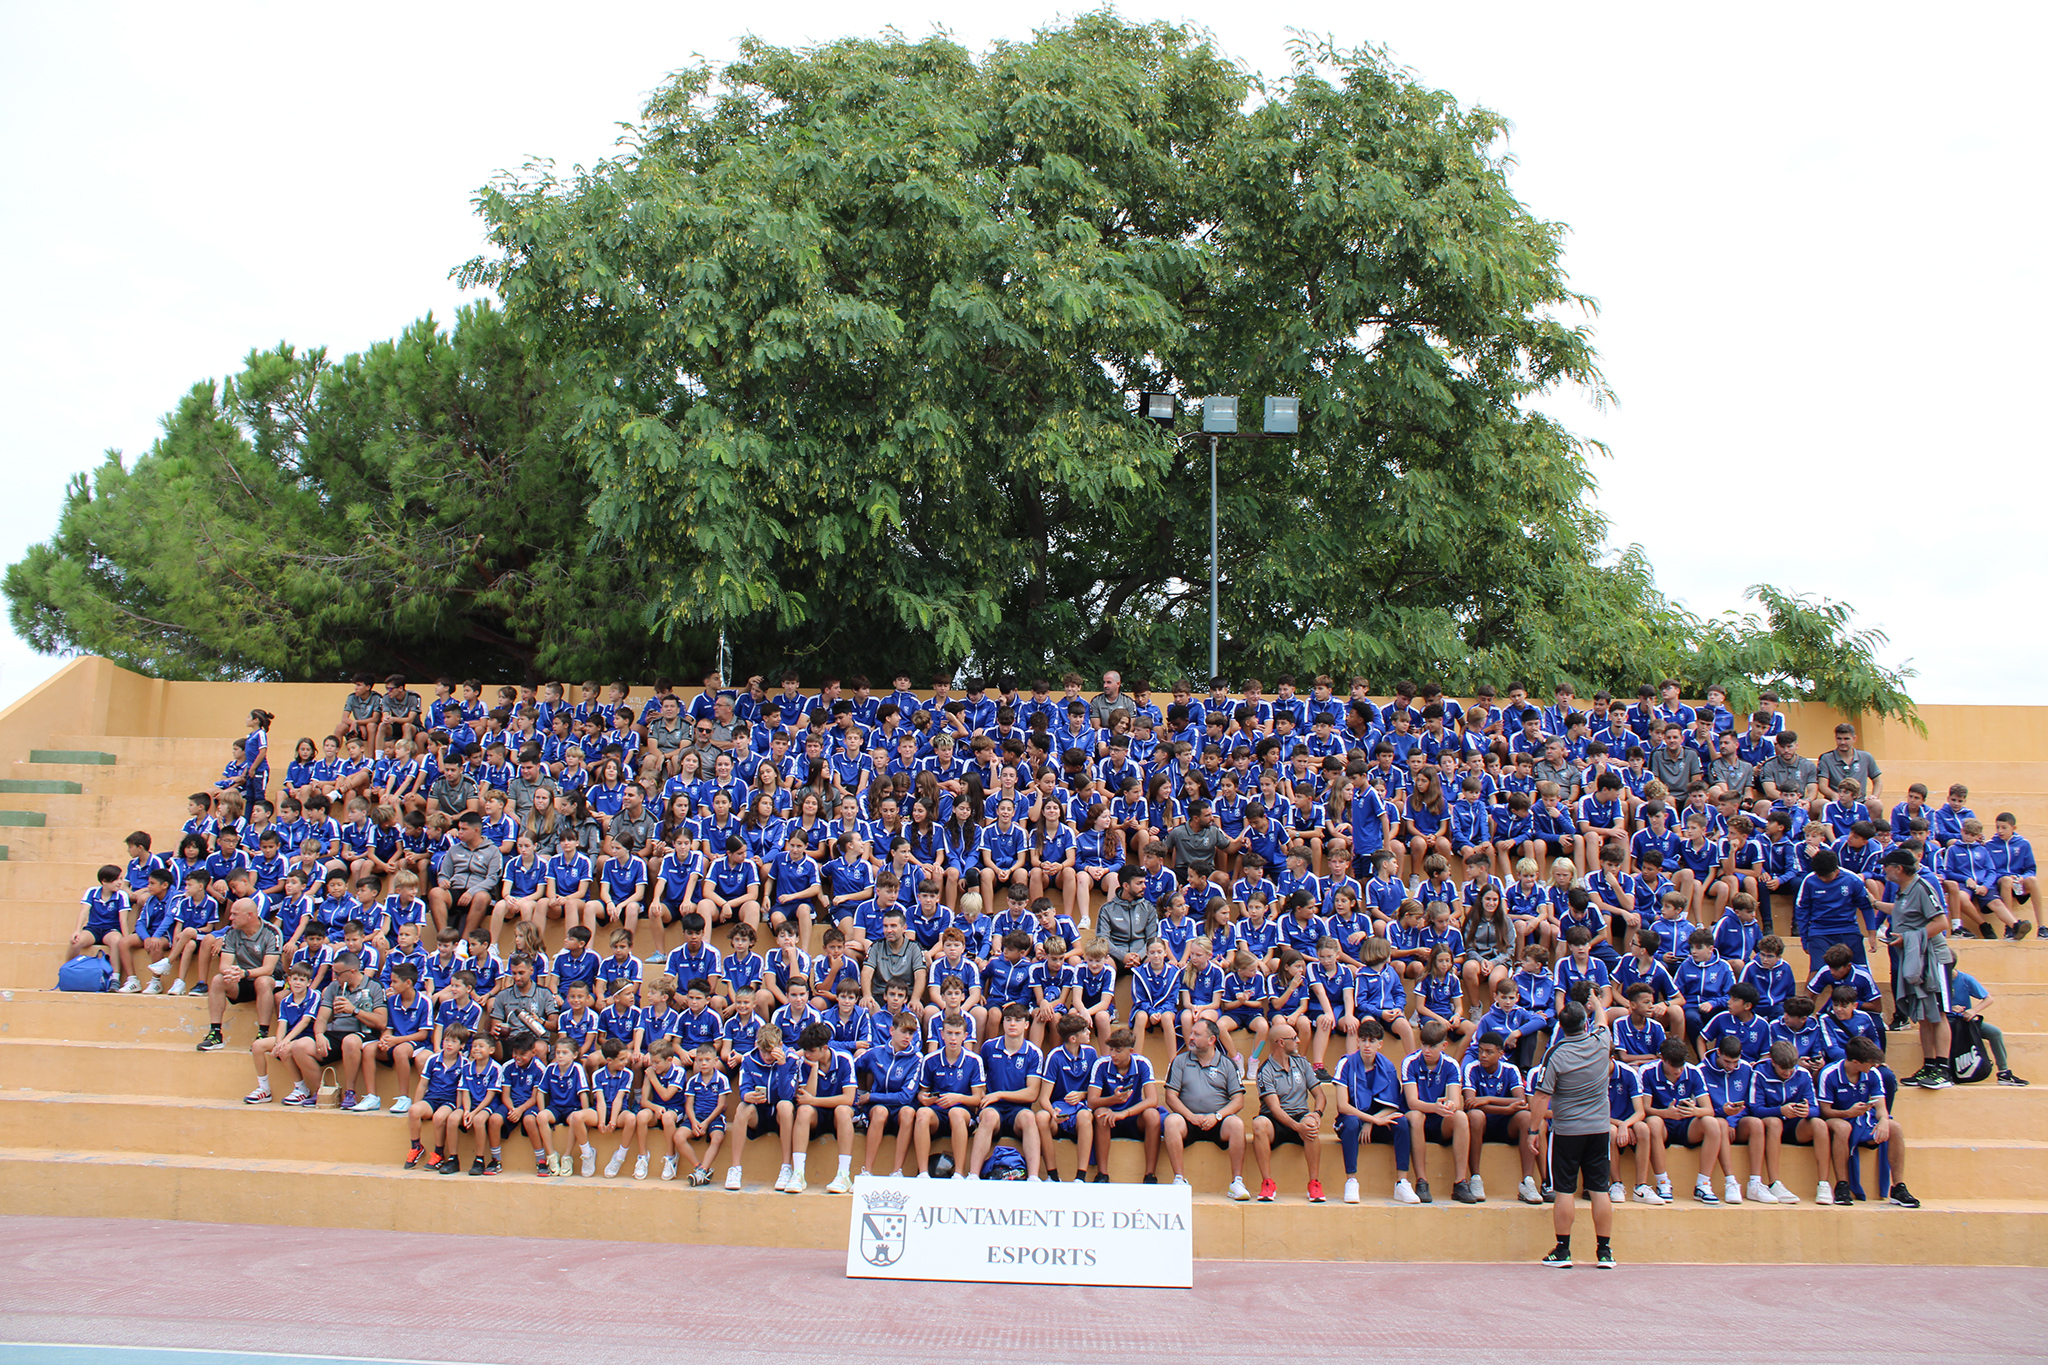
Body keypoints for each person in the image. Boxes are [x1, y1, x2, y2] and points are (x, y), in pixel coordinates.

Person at [1531, 999, 1616, 1268]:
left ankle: (1563, 1250)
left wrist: (1534, 1130)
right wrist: (1597, 1003)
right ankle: (1605, 1252)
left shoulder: (1556, 1053)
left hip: (1567, 1131)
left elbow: (1542, 1095)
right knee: (1600, 1189)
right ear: (1586, 1023)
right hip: (1600, 1130)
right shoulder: (1602, 1042)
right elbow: (1603, 1020)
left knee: (1565, 1190)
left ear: (1561, 1026)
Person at [1882, 849, 1956, 1089]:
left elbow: (1941, 922)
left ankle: (1943, 1069)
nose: (1884, 870)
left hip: (1933, 958)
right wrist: (1874, 903)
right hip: (1917, 958)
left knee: (1940, 1013)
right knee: (1923, 1016)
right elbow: (1901, 912)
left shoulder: (1922, 887)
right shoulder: (1903, 892)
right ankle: (1930, 1064)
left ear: (1899, 869)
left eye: (1888, 866)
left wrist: (1909, 938)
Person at [1820, 1037, 1918, 1207]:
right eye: (1871, 1062)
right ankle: (1842, 1185)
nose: (1874, 1065)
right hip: (1837, 1118)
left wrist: (1883, 1121)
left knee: (1895, 1128)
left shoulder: (1873, 1073)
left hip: (1862, 1118)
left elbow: (1881, 1106)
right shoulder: (1829, 1074)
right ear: (1856, 1062)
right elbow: (1825, 1111)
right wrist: (1847, 1112)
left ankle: (1898, 1188)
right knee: (1842, 1128)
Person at [1162, 1018, 1249, 1197]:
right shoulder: (1180, 1061)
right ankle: (1179, 1179)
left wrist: (1217, 1116)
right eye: (1191, 1033)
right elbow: (1170, 1097)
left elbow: (1238, 1100)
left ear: (1211, 1040)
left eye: (1196, 1034)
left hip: (1218, 1122)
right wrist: (1190, 1116)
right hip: (1188, 1121)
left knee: (1237, 1124)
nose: (1191, 1037)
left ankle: (1237, 1183)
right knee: (1171, 1120)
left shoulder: (1227, 1064)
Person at [1252, 1021, 1326, 1203]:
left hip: (1301, 1115)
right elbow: (1275, 1108)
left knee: (1310, 1123)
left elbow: (1320, 1095)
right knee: (1259, 1124)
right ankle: (1268, 1183)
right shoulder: (1265, 1070)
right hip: (1276, 1120)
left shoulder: (1302, 1063)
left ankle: (1314, 1184)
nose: (1299, 1041)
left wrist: (1317, 1114)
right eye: (1294, 1038)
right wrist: (1296, 1127)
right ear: (1281, 1042)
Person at [199, 898, 281, 1061]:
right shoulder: (231, 932)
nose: (230, 918)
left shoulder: (271, 932)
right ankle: (215, 1034)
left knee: (262, 981)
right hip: (243, 978)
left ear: (250, 915)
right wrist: (233, 972)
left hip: (271, 981)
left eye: (235, 914)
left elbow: (268, 969)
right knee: (217, 979)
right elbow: (224, 965)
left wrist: (245, 973)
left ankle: (262, 1033)